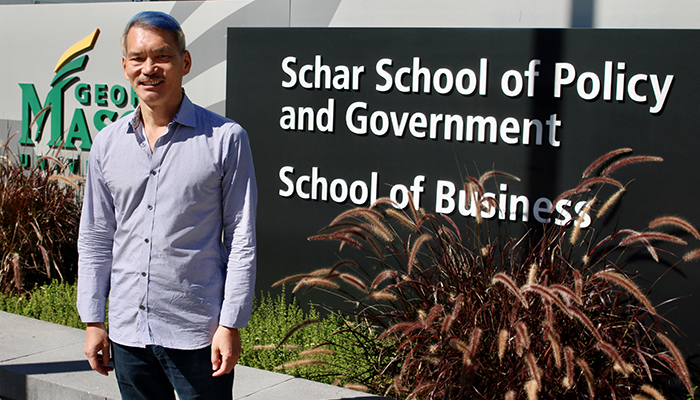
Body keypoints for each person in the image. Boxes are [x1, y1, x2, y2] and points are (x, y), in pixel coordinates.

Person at [76, 11, 257, 400]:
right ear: (124, 66)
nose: (149, 68)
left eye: (162, 56)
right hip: (128, 332)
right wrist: (93, 319)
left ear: (185, 62)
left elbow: (242, 238)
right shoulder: (107, 144)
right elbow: (95, 236)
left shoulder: (225, 139)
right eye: (138, 58)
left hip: (198, 331)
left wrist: (230, 323)